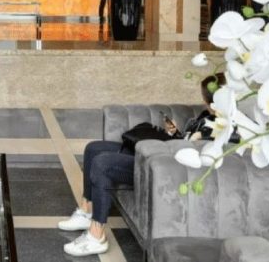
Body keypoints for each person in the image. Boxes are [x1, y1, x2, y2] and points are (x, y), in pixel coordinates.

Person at [58, 74, 226, 257]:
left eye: (206, 99)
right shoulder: (206, 115)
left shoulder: (225, 128)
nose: (204, 103)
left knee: (102, 163)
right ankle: (86, 211)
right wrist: (175, 134)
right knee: (93, 149)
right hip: (158, 153)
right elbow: (183, 142)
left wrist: (196, 139)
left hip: (160, 167)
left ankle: (96, 235)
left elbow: (195, 157)